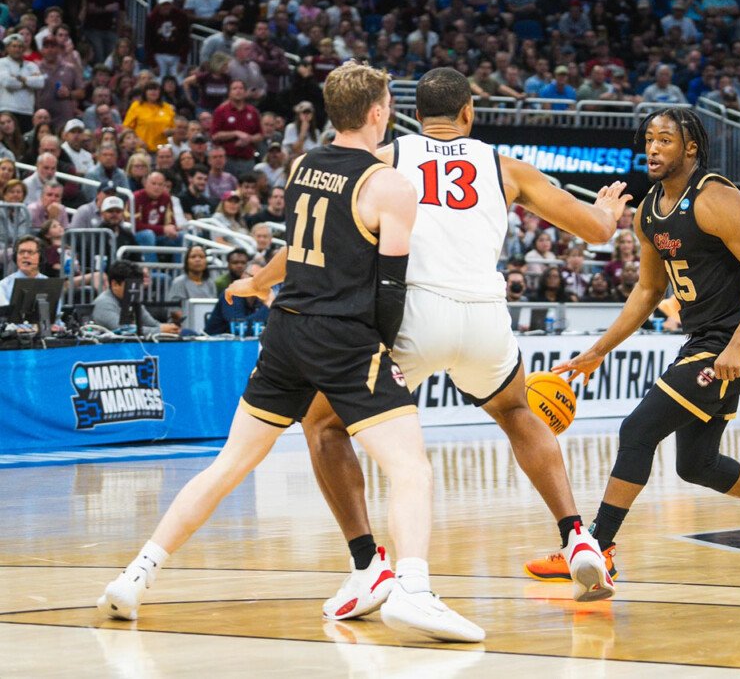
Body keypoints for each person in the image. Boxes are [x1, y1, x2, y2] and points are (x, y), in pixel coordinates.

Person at [99, 61, 485, 643]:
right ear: (379, 111)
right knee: (410, 467)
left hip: (285, 330)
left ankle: (135, 575)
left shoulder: (303, 166)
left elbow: (301, 251)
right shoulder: (389, 186)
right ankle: (414, 588)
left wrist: (259, 281)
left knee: (228, 465)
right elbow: (390, 287)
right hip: (344, 336)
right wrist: (388, 351)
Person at [229, 66, 631, 616]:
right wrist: (607, 212)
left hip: (413, 313)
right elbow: (597, 230)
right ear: (469, 113)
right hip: (484, 317)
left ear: (411, 116)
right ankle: (577, 536)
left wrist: (258, 281)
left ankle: (368, 562)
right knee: (517, 413)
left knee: (322, 425)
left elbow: (312, 239)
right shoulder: (504, 166)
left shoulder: (387, 159)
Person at [524, 108, 740, 585]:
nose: (653, 148)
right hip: (704, 342)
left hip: (733, 345)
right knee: (697, 464)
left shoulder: (715, 197)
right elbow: (647, 292)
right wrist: (599, 349)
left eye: (665, 140)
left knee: (638, 430)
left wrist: (739, 345)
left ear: (690, 147)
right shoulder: (647, 212)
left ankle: (596, 547)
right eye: (649, 139)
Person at [91, 260, 180, 335]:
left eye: (138, 285)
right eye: (131, 285)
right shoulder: (103, 303)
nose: (136, 289)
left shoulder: (132, 299)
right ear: (115, 284)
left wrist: (171, 328)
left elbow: (153, 324)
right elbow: (123, 330)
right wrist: (160, 330)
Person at [205, 260, 270, 334]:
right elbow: (240, 327)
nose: (257, 283)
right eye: (253, 277)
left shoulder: (260, 298)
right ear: (243, 276)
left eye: (263, 279)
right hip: (214, 342)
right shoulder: (232, 293)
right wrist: (268, 305)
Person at [0, 34, 45, 133]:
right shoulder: (2, 63)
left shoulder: (31, 65)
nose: (17, 49)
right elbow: (8, 82)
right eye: (14, 46)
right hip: (7, 110)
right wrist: (29, 81)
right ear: (7, 48)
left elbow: (40, 82)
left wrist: (21, 79)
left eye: (20, 47)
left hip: (27, 111)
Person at [124, 81, 176, 153]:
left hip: (162, 150)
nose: (153, 92)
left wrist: (170, 131)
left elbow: (174, 128)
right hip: (141, 149)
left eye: (156, 89)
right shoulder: (136, 106)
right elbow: (126, 128)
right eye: (150, 89)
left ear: (160, 92)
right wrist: (136, 140)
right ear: (145, 92)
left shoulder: (167, 107)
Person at [0, 235, 47, 305]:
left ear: (40, 256)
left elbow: (56, 313)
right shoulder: (3, 286)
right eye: (21, 252)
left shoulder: (49, 284)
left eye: (30, 252)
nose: (25, 256)